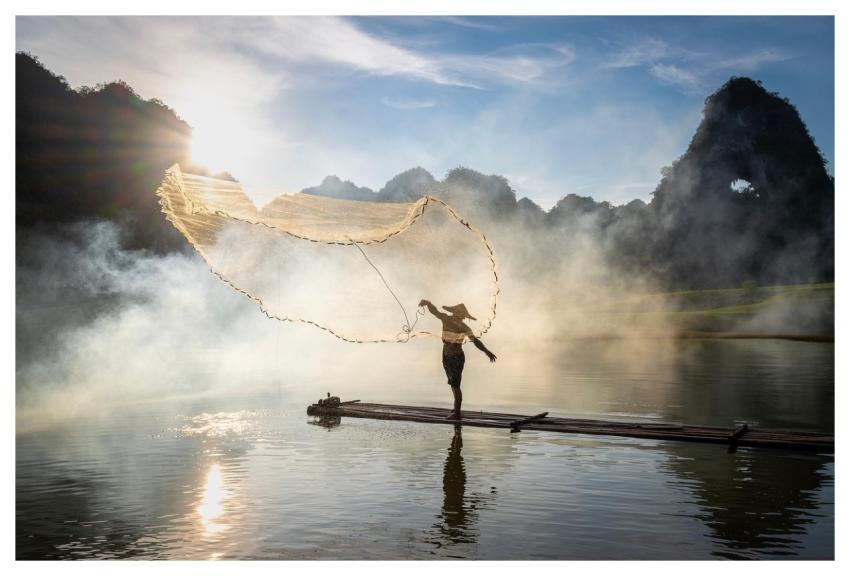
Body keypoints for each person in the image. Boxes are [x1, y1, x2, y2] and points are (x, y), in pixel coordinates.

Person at [419, 299, 497, 419]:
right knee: (452, 384)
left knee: (455, 385)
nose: (461, 317)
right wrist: (428, 303)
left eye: (461, 315)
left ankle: (457, 413)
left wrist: (487, 351)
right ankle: (457, 408)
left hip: (456, 358)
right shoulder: (447, 319)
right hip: (446, 356)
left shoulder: (461, 325)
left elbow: (475, 341)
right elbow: (434, 311)